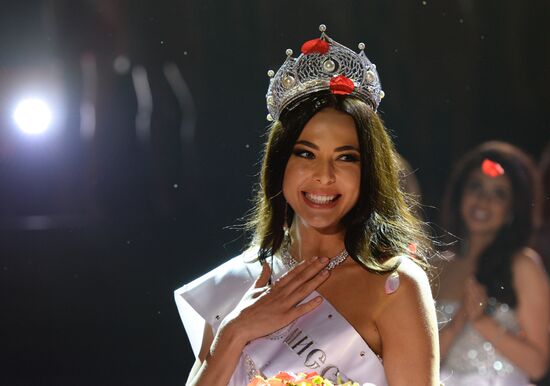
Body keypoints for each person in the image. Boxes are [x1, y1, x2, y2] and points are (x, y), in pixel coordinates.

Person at [175, 25, 439, 386]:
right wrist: (235, 332)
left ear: (369, 171)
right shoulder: (240, 282)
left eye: (346, 158)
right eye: (306, 154)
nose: (324, 176)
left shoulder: (394, 286)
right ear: (279, 163)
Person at [435, 141, 549, 385]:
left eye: (499, 193)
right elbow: (423, 362)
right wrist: (458, 323)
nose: (483, 200)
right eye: (476, 187)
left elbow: (538, 366)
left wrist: (481, 321)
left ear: (511, 209)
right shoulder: (438, 267)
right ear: (461, 194)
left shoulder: (523, 266)